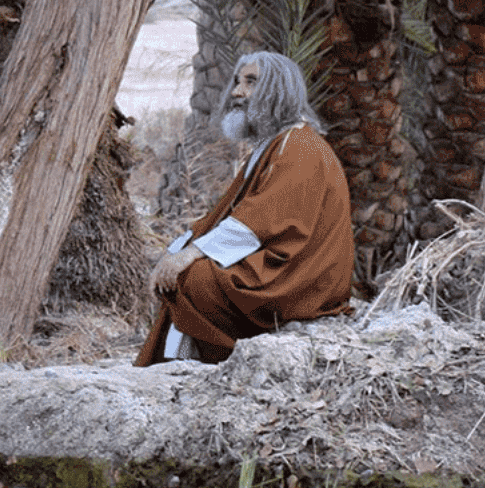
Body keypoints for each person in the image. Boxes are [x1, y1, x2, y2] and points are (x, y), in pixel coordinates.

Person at [134, 50, 354, 366]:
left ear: (278, 91)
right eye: (239, 82)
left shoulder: (299, 148)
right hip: (286, 264)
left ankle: (220, 362)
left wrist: (188, 255)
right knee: (185, 265)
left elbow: (257, 222)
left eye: (250, 82)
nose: (237, 92)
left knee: (195, 278)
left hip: (301, 279)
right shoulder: (278, 143)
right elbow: (233, 213)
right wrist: (182, 246)